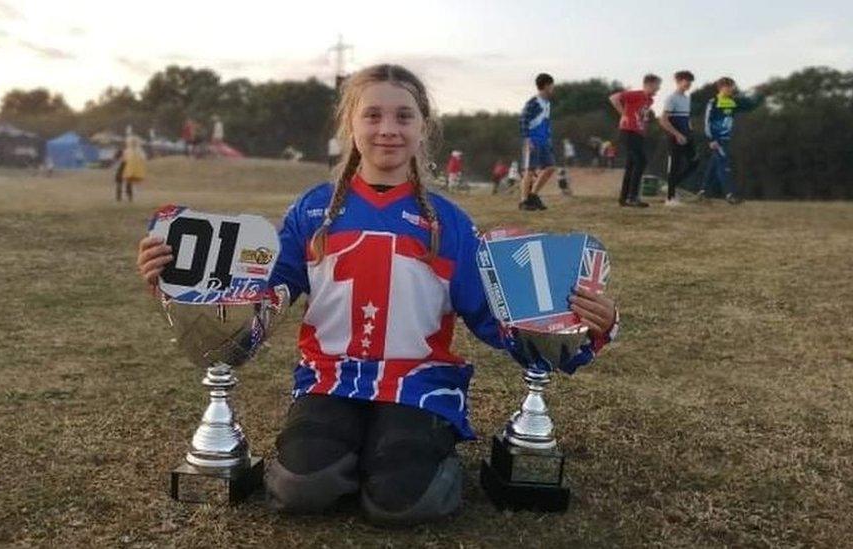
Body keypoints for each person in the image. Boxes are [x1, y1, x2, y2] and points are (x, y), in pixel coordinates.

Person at [135, 64, 619, 525]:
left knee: (405, 503)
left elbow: (491, 316)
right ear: (351, 124)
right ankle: (356, 444)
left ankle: (402, 449)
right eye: (373, 115)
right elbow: (264, 291)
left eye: (403, 116)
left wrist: (578, 328)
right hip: (329, 378)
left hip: (419, 383)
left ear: (423, 127)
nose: (388, 128)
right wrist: (180, 279)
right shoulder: (313, 210)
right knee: (301, 489)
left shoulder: (449, 223)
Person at [697, 77, 763, 205]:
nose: (732, 89)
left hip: (726, 139)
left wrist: (759, 94)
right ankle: (730, 194)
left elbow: (750, 105)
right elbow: (707, 122)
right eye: (729, 87)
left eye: (732, 87)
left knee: (714, 166)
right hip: (717, 140)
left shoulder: (733, 101)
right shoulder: (713, 102)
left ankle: (702, 192)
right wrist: (711, 139)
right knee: (724, 165)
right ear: (721, 87)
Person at [609, 74, 662, 207]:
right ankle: (633, 196)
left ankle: (624, 197)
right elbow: (614, 98)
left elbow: (642, 116)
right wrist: (624, 114)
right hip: (628, 131)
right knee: (641, 161)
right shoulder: (636, 94)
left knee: (631, 165)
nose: (658, 89)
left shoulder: (649, 100)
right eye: (657, 86)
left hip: (638, 133)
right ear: (649, 84)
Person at [659, 71, 699, 206]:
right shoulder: (671, 98)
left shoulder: (687, 98)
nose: (688, 83)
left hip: (687, 135)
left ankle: (672, 184)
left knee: (694, 162)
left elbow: (685, 117)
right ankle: (670, 199)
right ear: (678, 81)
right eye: (685, 80)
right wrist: (677, 134)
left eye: (690, 81)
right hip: (675, 137)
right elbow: (663, 120)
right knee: (675, 166)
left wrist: (690, 130)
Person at [518, 73, 557, 211]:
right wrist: (527, 139)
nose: (553, 87)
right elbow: (523, 120)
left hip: (544, 141)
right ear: (546, 85)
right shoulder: (533, 102)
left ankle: (533, 195)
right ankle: (524, 201)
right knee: (529, 170)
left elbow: (546, 123)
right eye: (552, 85)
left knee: (550, 167)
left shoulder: (547, 103)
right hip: (532, 140)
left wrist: (549, 138)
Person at [119, 136, 146, 202]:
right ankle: (129, 196)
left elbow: (143, 159)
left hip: (134, 169)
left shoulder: (138, 151)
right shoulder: (130, 151)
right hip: (130, 169)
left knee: (133, 184)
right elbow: (124, 159)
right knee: (129, 183)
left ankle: (132, 196)